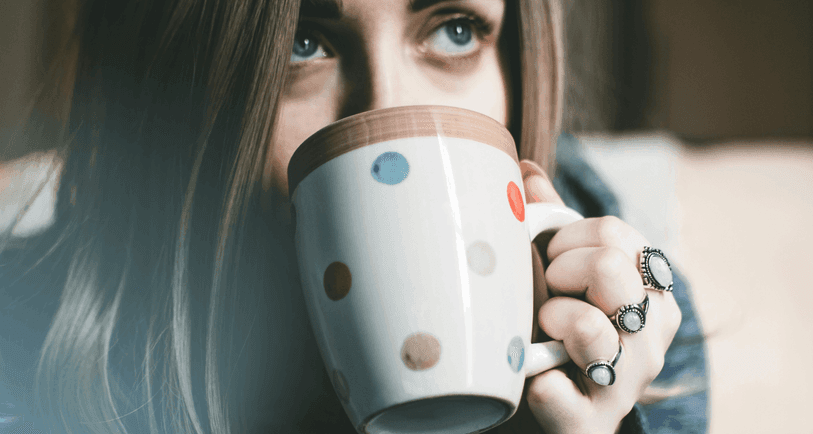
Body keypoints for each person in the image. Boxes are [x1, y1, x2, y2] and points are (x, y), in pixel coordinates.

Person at [0, 0, 709, 432]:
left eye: (455, 30)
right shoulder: (24, 352)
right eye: (300, 42)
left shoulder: (624, 331)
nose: (387, 114)